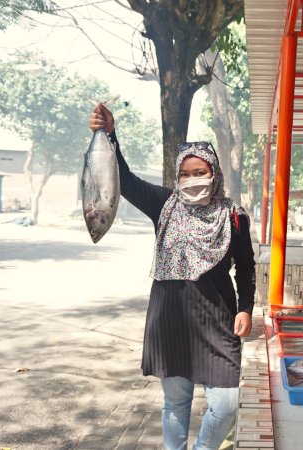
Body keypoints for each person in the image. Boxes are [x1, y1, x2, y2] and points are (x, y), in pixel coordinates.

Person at [88, 103, 255, 450]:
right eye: (186, 173)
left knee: (225, 407)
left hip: (218, 321)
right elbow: (126, 181)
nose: (194, 179)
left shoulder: (233, 216)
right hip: (170, 320)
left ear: (215, 173)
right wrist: (109, 134)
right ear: (177, 177)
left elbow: (247, 267)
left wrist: (246, 308)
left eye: (201, 171)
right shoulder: (164, 204)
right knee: (176, 405)